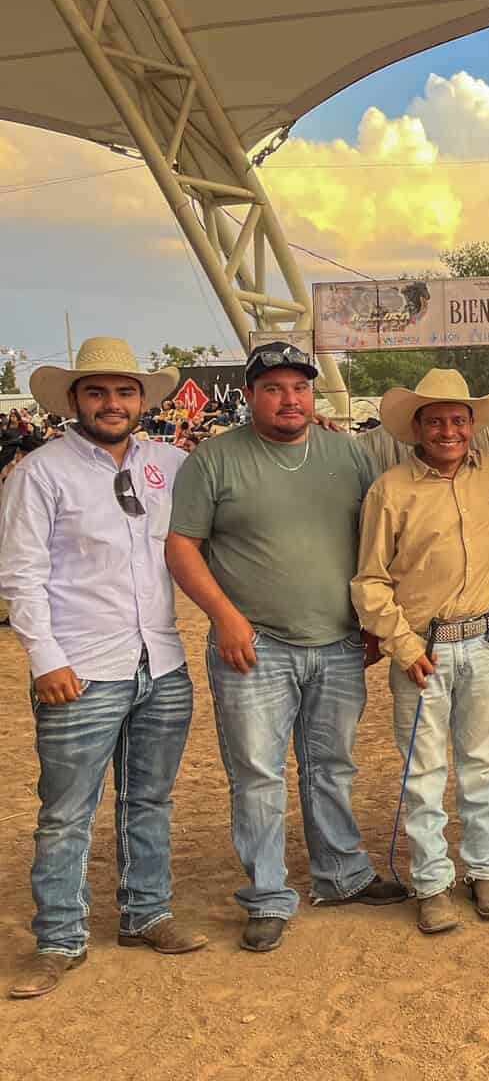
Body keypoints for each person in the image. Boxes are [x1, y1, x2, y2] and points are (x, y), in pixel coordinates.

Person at [165, 341, 405, 953]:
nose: (289, 398)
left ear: (313, 394)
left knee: (332, 765)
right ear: (250, 396)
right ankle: (268, 894)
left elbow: (376, 542)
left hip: (339, 642)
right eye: (273, 387)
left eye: (299, 387)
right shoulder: (215, 460)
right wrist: (224, 617)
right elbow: (182, 546)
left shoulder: (347, 455)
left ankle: (341, 874)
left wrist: (375, 622)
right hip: (255, 645)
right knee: (257, 774)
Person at [0, 339, 207, 999]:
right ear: (74, 400)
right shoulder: (40, 472)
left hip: (161, 661)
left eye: (124, 392)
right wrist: (45, 657)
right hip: (80, 668)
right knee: (66, 811)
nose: (112, 404)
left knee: (147, 799)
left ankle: (146, 913)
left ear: (143, 400)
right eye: (97, 392)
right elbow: (22, 575)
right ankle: (59, 937)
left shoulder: (173, 465)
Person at [350, 369, 489, 935]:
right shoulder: (389, 490)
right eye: (436, 420)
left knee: (480, 764)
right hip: (422, 650)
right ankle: (432, 882)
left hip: (485, 642)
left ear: (473, 425)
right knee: (423, 772)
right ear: (416, 428)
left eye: (458, 419)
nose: (449, 429)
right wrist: (400, 643)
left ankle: (485, 869)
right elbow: (370, 579)